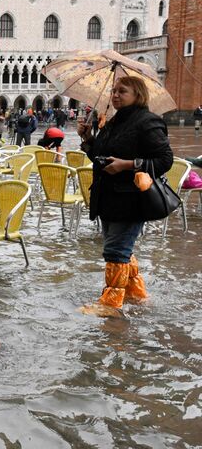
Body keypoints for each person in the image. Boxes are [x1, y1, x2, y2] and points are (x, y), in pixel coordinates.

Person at [77, 76, 173, 317]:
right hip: (108, 198)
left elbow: (165, 160)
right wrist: (87, 139)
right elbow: (100, 159)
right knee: (121, 249)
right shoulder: (114, 121)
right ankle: (136, 294)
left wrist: (127, 165)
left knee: (116, 251)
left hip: (130, 200)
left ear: (138, 94)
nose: (115, 95)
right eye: (114, 91)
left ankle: (111, 305)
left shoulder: (148, 122)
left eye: (122, 91)